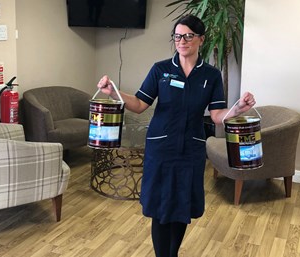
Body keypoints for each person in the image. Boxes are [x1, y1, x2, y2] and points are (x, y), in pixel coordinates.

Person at [97, 14, 255, 257]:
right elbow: (140, 103)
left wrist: (237, 110)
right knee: (161, 208)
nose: (182, 41)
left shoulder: (210, 76)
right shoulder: (161, 70)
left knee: (181, 206)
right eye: (178, 36)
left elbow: (216, 115)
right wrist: (114, 93)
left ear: (201, 39)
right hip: (161, 149)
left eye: (188, 36)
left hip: (191, 150)